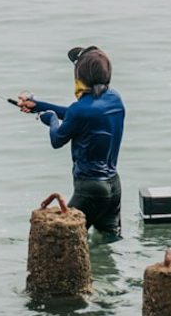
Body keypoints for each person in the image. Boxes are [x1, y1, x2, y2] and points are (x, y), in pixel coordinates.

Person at [18, 46, 125, 238]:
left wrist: (51, 118)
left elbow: (57, 139)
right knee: (108, 240)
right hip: (113, 187)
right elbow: (76, 114)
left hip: (90, 189)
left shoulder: (80, 110)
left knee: (60, 241)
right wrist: (39, 106)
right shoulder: (114, 99)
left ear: (80, 76)